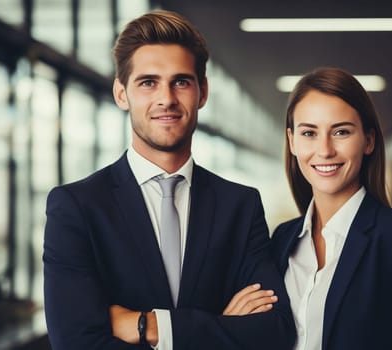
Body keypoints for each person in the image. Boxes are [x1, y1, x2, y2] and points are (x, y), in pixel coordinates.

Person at [43, 10, 295, 350]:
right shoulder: (76, 207)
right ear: (121, 94)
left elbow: (274, 331)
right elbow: (75, 343)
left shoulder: (240, 205)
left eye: (181, 81)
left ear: (202, 92)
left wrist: (150, 325)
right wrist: (221, 327)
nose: (167, 98)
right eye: (148, 82)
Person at [270, 67, 392, 349]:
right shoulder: (282, 239)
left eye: (341, 132)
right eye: (309, 133)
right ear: (292, 141)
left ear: (368, 141)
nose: (324, 150)